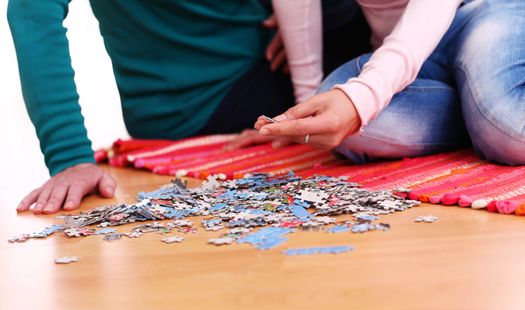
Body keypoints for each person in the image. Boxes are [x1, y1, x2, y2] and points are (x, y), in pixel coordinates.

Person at [8, 0, 370, 214]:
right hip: (208, 98)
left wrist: (293, 16)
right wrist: (70, 158)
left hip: (251, 64)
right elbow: (32, 16)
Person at [255, 0, 525, 166]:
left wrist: (366, 95)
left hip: (484, 12)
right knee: (336, 116)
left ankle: (484, 111)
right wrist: (304, 112)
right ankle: (477, 109)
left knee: (510, 133)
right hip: (403, 58)